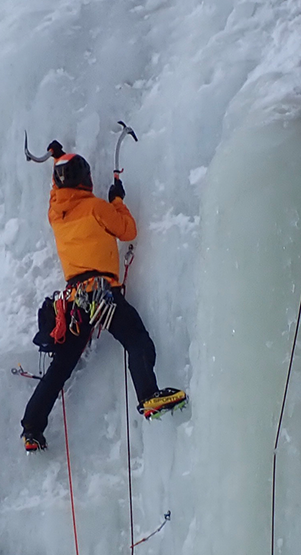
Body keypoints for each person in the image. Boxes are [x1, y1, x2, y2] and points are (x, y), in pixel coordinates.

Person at [20, 140, 186, 452]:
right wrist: (118, 200)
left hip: (73, 302)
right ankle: (148, 395)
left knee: (61, 368)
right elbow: (127, 230)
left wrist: (56, 159)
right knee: (136, 340)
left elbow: (57, 194)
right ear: (86, 179)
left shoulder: (57, 216)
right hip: (101, 295)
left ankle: (32, 429)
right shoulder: (97, 207)